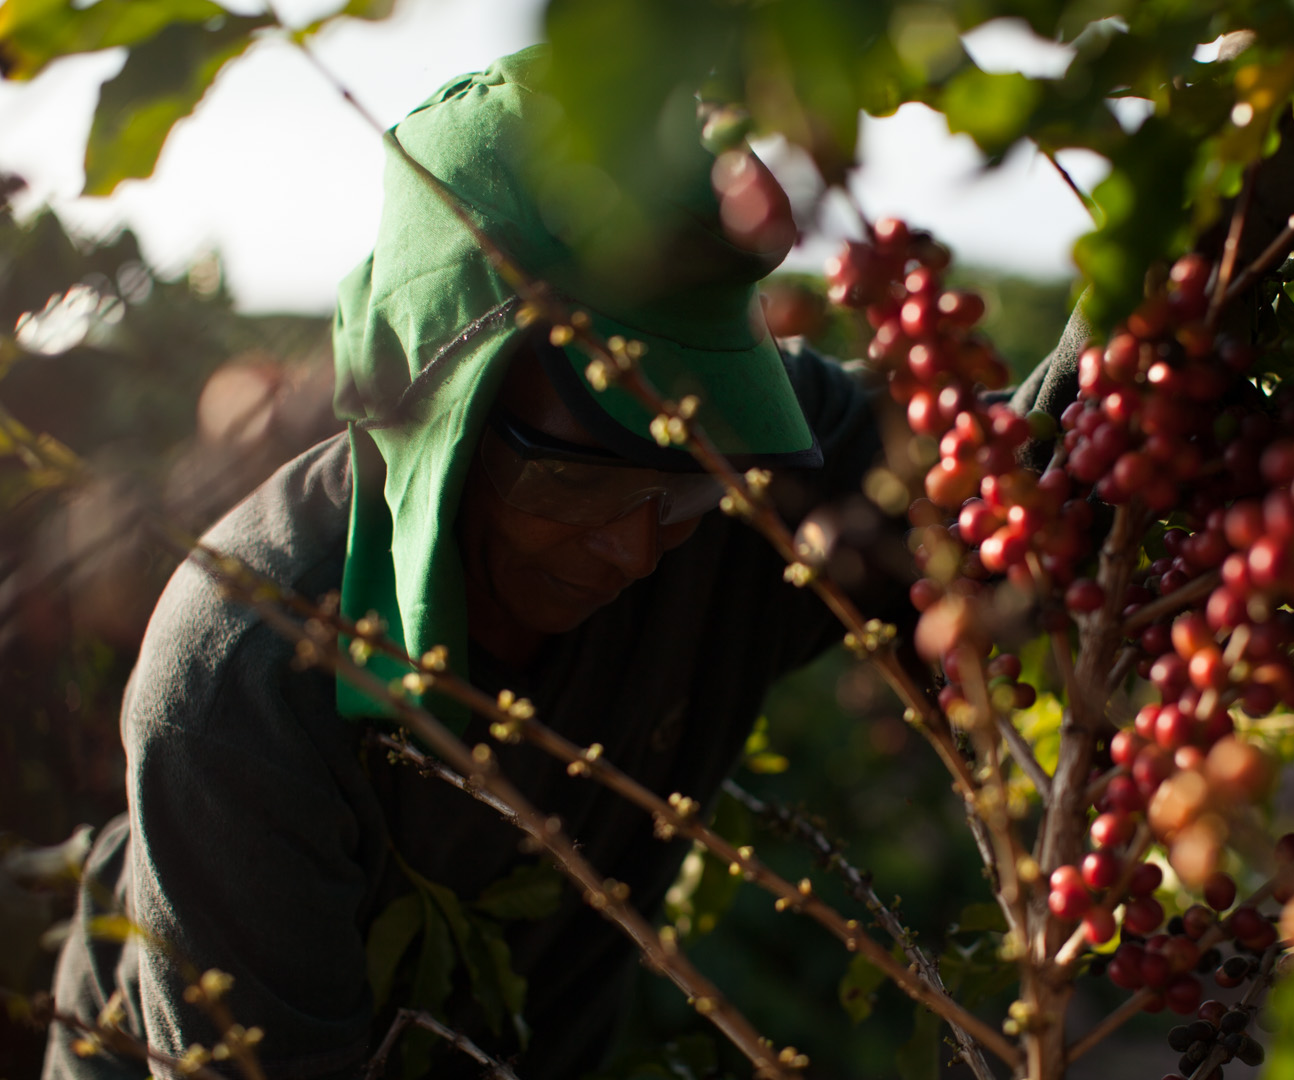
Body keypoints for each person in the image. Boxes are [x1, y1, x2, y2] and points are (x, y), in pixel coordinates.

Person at [43, 46, 907, 1080]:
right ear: (440, 424)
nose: (637, 546)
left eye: (686, 490)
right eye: (575, 486)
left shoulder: (749, 477)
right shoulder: (240, 684)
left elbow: (1024, 487)